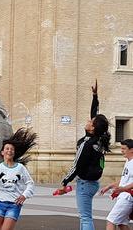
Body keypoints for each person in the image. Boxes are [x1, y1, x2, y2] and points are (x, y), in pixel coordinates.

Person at [59, 80, 111, 230]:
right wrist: (95, 97)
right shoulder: (100, 138)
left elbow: (77, 164)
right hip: (93, 183)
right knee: (85, 217)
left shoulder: (86, 144)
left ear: (92, 129)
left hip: (85, 184)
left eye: (91, 122)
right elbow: (96, 116)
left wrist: (64, 182)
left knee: (85, 217)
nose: (88, 120)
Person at [0, 128, 37, 230]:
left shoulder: (20, 168)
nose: (9, 151)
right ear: (2, 152)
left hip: (14, 205)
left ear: (14, 153)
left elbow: (30, 183)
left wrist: (24, 196)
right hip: (0, 203)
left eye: (12, 149)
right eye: (7, 149)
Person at [100, 139, 133, 230]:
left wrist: (123, 188)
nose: (121, 151)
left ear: (131, 149)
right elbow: (125, 179)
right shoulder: (128, 161)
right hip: (124, 195)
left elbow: (126, 184)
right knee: (121, 223)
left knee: (111, 221)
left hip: (127, 197)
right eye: (121, 148)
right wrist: (109, 186)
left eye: (124, 149)